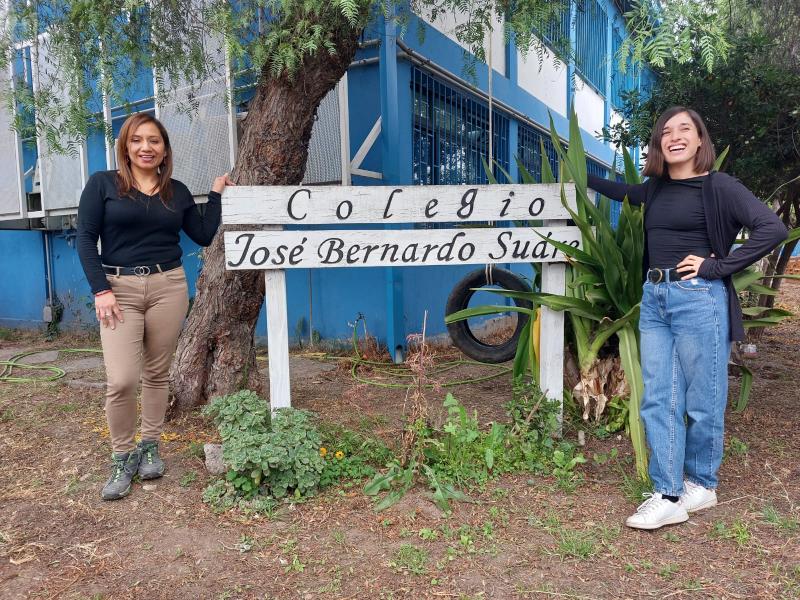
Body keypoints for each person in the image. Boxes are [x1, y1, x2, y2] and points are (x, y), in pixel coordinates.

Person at [587, 106, 787, 530]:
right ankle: (668, 492)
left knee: (703, 397)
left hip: (698, 298)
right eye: (666, 131)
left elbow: (772, 229)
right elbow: (620, 190)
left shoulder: (720, 187)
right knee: (659, 395)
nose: (674, 136)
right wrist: (572, 175)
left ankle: (701, 483)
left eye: (685, 129)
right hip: (655, 297)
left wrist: (717, 267)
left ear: (700, 141)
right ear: (659, 143)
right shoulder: (656, 189)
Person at [77, 112, 233, 500]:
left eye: (154, 141)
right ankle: (122, 455)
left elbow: (202, 233)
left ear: (165, 150)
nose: (146, 147)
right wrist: (101, 290)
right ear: (126, 147)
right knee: (122, 379)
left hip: (168, 286)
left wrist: (214, 195)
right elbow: (85, 240)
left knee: (157, 373)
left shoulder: (175, 191)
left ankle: (150, 446)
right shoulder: (102, 185)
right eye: (137, 140)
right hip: (118, 289)